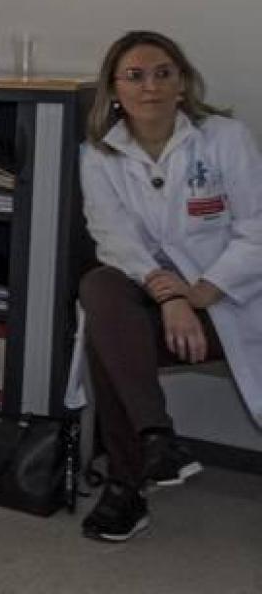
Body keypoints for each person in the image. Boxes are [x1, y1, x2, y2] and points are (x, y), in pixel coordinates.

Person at [74, 30, 262, 542]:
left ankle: (128, 480)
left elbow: (257, 229)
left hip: (231, 300)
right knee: (101, 286)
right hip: (156, 300)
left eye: (163, 73)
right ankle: (154, 439)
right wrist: (170, 293)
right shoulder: (100, 155)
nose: (150, 86)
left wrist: (199, 292)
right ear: (114, 89)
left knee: (104, 338)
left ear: (183, 83)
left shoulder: (225, 138)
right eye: (135, 76)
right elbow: (112, 237)